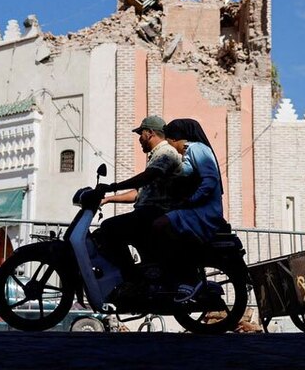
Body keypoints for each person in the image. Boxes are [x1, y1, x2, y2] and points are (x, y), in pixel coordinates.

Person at [92, 115, 182, 281]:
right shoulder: (156, 156)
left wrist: (113, 186)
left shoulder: (165, 153)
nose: (140, 139)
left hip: (155, 214)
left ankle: (129, 278)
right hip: (148, 213)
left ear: (149, 133)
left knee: (108, 228)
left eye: (141, 134)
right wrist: (108, 199)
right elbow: (139, 192)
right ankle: (142, 280)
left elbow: (147, 177)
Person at [151, 118, 226, 302]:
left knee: (160, 225)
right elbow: (182, 173)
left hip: (204, 211)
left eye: (168, 140)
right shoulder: (188, 153)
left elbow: (209, 180)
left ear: (176, 138)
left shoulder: (196, 149)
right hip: (196, 209)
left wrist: (190, 201)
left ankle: (188, 278)